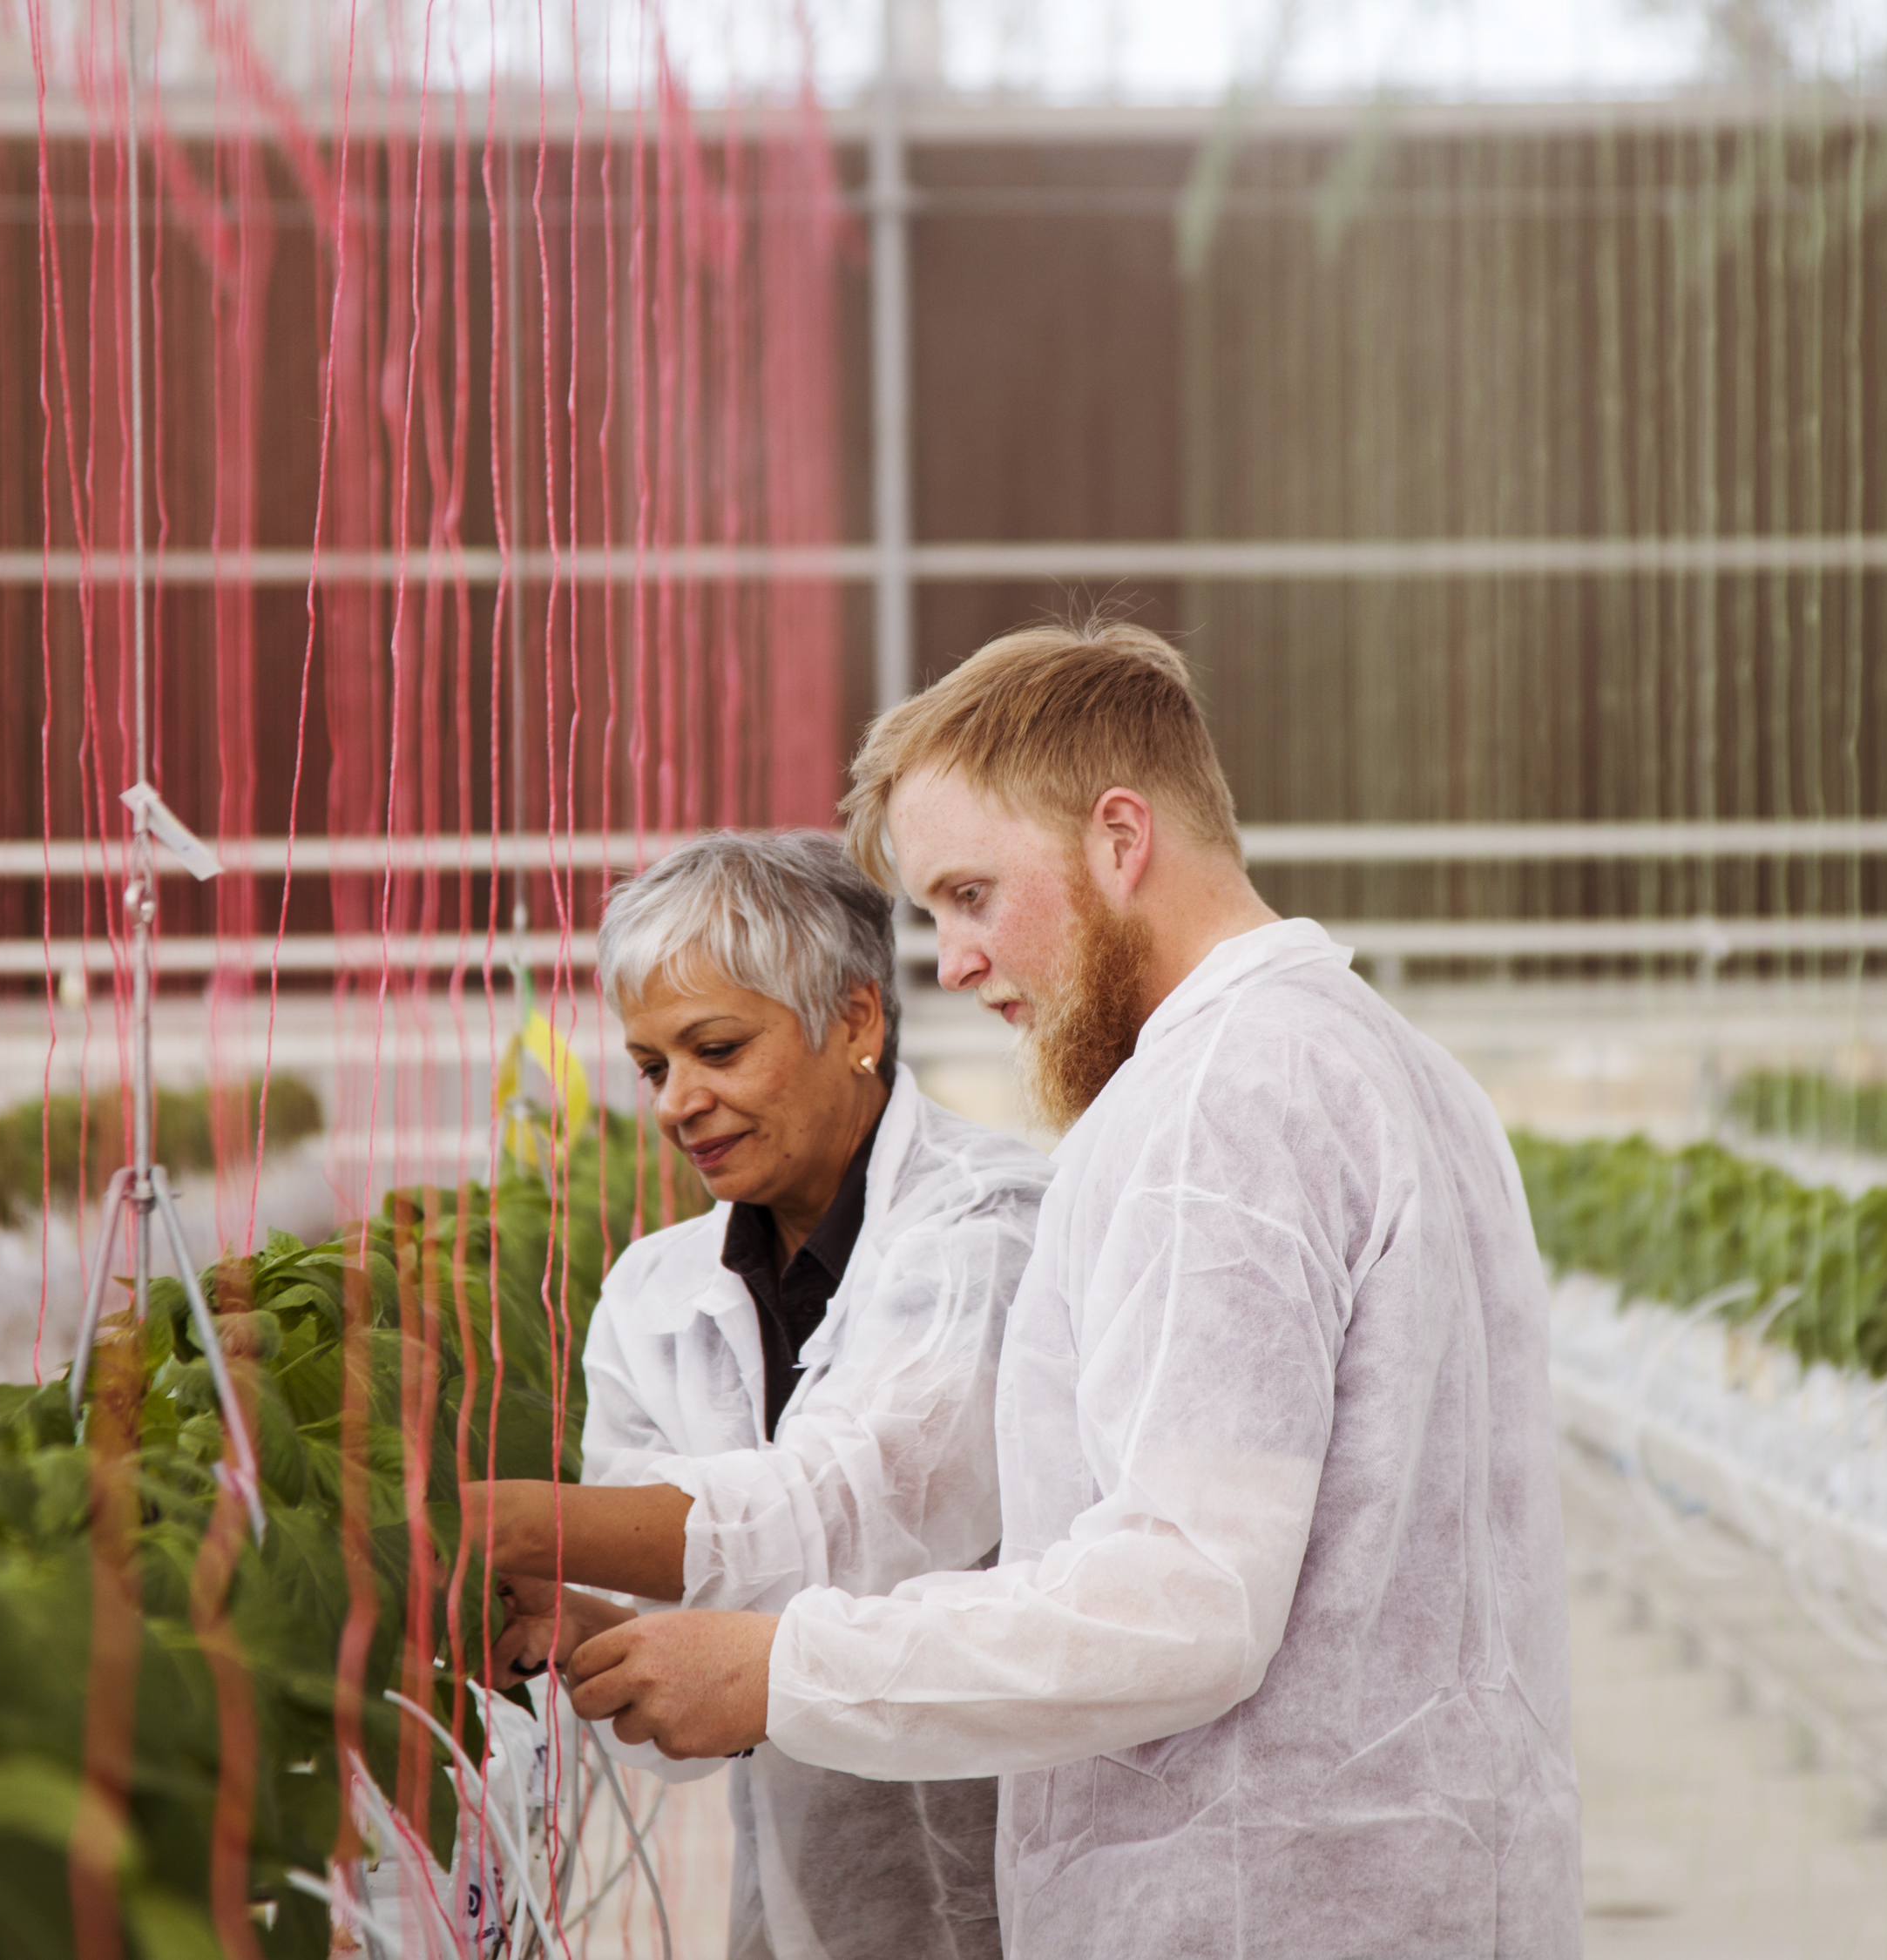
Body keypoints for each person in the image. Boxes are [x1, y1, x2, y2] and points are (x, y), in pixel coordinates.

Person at [560, 622, 1582, 1959]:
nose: (958, 961)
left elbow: (1185, 1597)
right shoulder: (1402, 1068)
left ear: (1119, 837)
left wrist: (784, 1667)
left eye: (971, 896)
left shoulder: (1218, 1102)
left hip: (1249, 1909)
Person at [473, 829, 1051, 1960]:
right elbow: (687, 1701)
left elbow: (858, 1508)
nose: (680, 1100)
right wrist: (588, 1634)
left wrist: (494, 1515)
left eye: (718, 1048)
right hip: (807, 1917)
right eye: (653, 1066)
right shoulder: (652, 1293)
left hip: (1028, 1905)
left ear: (857, 1021)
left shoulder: (993, 1230)